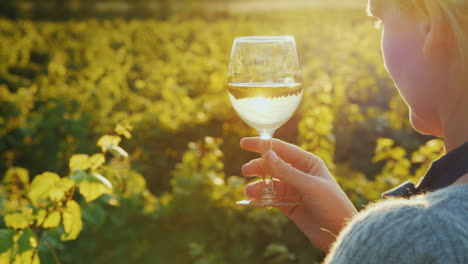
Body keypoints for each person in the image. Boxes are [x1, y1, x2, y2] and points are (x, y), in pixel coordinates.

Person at [240, 0, 468, 263]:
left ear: (431, 26)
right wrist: (352, 232)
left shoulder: (425, 237)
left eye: (380, 20)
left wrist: (378, 243)